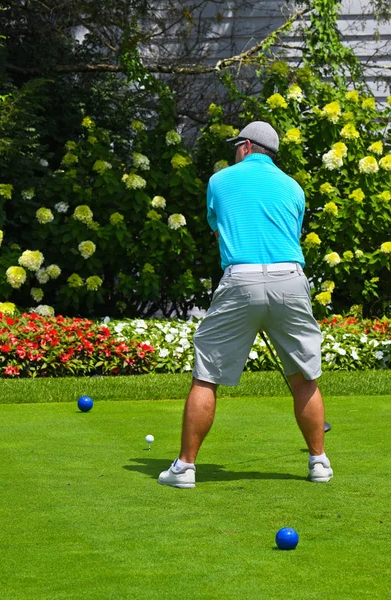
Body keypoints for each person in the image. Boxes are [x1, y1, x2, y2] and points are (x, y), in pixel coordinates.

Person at [158, 121, 333, 488]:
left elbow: (217, 226)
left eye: (236, 145)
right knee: (304, 376)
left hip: (241, 278)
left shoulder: (221, 181)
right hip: (290, 278)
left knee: (206, 375)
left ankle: (185, 469)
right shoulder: (294, 187)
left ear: (247, 146)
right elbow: (288, 232)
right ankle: (319, 462)